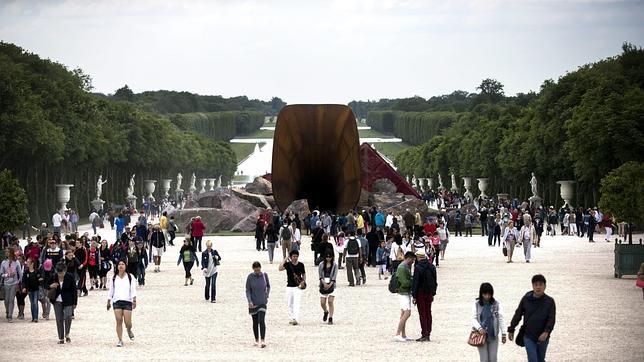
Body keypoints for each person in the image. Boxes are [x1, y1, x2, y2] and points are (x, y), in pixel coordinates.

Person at [508, 274, 556, 362]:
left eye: (541, 284)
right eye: (536, 284)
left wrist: (546, 332)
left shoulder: (550, 301)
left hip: (543, 337)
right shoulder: (526, 299)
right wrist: (511, 329)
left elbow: (551, 319)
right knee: (533, 359)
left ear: (545, 286)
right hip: (528, 336)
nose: (538, 287)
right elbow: (518, 314)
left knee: (540, 359)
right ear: (532, 286)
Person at [472, 283, 507, 362]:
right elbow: (473, 319)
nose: (487, 296)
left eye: (489, 294)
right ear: (481, 293)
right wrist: (479, 328)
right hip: (480, 335)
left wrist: (504, 333)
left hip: (493, 335)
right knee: (484, 359)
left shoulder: (497, 304)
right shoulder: (476, 303)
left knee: (493, 359)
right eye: (485, 294)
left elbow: (501, 318)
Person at [107, 260, 137, 347]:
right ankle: (120, 340)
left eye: (123, 264)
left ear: (125, 266)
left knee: (128, 322)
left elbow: (133, 289)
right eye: (119, 264)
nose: (121, 266)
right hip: (117, 301)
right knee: (118, 320)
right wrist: (108, 300)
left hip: (127, 301)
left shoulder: (130, 277)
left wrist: (134, 300)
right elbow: (111, 290)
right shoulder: (113, 278)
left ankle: (129, 329)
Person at [411, 250, 437, 342]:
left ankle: (424, 333)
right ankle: (428, 332)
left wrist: (414, 295)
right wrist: (433, 292)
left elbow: (416, 282)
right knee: (428, 312)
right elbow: (435, 280)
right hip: (429, 292)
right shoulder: (432, 266)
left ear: (418, 257)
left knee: (422, 313)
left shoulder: (418, 267)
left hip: (420, 292)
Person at [50, 262, 76, 344]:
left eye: (62, 273)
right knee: (59, 319)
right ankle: (61, 338)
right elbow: (45, 284)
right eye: (59, 273)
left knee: (68, 316)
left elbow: (74, 290)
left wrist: (75, 302)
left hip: (68, 300)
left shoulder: (70, 276)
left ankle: (67, 334)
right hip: (57, 300)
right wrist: (51, 286)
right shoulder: (54, 276)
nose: (60, 275)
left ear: (65, 271)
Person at [246, 261, 270, 348]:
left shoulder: (264, 275)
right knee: (255, 322)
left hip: (262, 302)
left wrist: (267, 294)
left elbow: (268, 286)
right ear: (253, 269)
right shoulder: (250, 277)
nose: (257, 272)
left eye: (258, 270)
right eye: (256, 270)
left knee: (261, 320)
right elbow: (248, 290)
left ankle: (263, 340)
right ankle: (256, 339)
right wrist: (249, 301)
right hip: (253, 303)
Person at [278, 250, 305, 325]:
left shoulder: (301, 265)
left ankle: (295, 318)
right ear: (291, 257)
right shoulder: (288, 264)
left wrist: (303, 281)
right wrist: (285, 258)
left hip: (298, 286)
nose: (295, 258)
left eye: (296, 256)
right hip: (289, 286)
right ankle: (291, 318)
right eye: (293, 256)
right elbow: (280, 268)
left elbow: (304, 274)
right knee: (289, 303)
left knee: (297, 303)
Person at [394, 251, 416, 342]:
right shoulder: (402, 268)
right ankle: (397, 333)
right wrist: (413, 282)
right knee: (407, 313)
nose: (413, 262)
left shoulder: (404, 266)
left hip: (404, 292)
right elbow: (404, 282)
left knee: (403, 314)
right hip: (403, 292)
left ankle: (403, 334)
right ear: (409, 258)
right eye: (413, 260)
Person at [1, 246, 23, 322]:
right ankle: (7, 311)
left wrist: (19, 283)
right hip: (6, 283)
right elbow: (1, 274)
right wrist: (7, 275)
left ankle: (10, 315)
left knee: (11, 299)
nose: (6, 253)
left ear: (11, 253)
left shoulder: (16, 262)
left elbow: (20, 274)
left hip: (14, 283)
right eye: (5, 251)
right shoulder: (3, 262)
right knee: (6, 300)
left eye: (7, 251)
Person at [318, 252, 337, 325]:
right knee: (322, 303)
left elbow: (335, 275)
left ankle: (330, 317)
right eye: (327, 256)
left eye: (330, 256)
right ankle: (326, 311)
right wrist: (323, 283)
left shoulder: (334, 265)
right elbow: (320, 275)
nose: (328, 258)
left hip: (332, 285)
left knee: (330, 302)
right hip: (323, 284)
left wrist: (331, 283)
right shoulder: (321, 264)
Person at [22, 258, 43, 322]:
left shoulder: (37, 271)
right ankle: (33, 317)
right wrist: (24, 287)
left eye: (28, 262)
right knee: (32, 303)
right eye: (27, 262)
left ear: (32, 263)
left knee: (35, 303)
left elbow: (41, 278)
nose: (27, 263)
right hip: (30, 290)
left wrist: (40, 280)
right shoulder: (26, 272)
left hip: (36, 289)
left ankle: (36, 317)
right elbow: (24, 281)